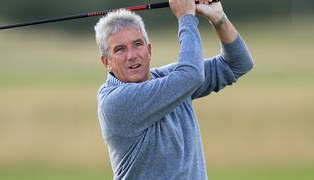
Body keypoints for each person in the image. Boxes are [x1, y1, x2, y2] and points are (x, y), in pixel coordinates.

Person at [94, 0, 253, 179]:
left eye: (137, 44)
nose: (131, 55)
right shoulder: (116, 102)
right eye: (120, 49)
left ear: (149, 50)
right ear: (106, 62)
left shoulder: (169, 79)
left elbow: (238, 64)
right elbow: (191, 75)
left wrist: (218, 18)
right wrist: (186, 17)